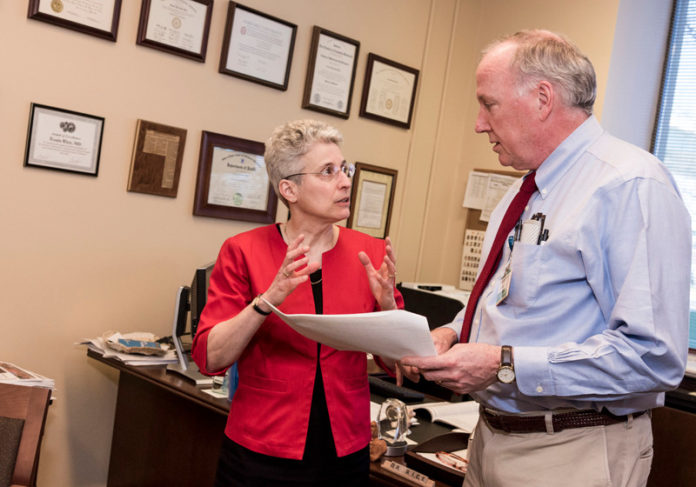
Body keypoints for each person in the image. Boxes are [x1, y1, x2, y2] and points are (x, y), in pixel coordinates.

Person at [402, 30, 691, 487]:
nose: (479, 123)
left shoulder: (629, 185)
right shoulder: (527, 192)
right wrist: (454, 332)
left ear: (542, 98)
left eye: (488, 104)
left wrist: (503, 362)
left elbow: (653, 357)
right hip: (490, 438)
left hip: (572, 450)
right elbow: (511, 298)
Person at [191, 119, 403, 486]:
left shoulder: (370, 252)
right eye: (328, 172)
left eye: (344, 169)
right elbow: (211, 358)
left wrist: (388, 309)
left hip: (345, 449)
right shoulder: (244, 251)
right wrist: (269, 299)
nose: (345, 181)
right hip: (261, 446)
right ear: (289, 188)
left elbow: (399, 363)